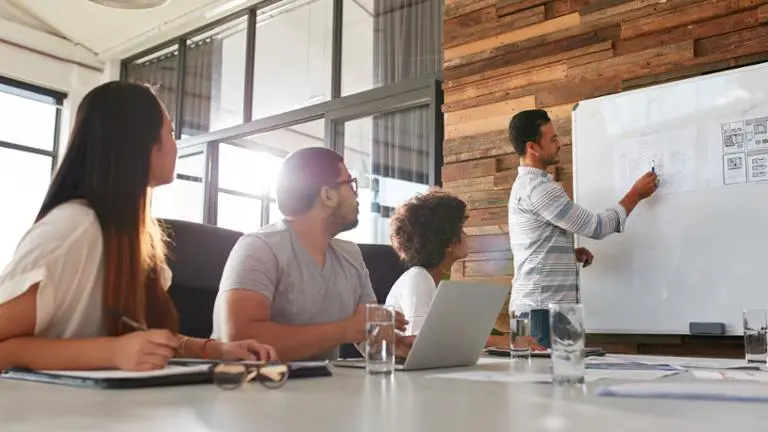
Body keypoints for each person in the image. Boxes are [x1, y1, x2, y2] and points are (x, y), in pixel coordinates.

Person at [0, 82, 277, 372]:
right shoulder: (74, 227)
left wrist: (213, 349)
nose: (175, 145)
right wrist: (112, 353)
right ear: (140, 143)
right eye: (169, 133)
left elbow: (140, 338)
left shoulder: (136, 236)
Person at [212, 147, 410, 362]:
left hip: (320, 388)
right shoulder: (259, 247)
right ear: (327, 195)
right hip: (250, 388)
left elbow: (366, 329)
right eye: (350, 184)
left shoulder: (351, 255)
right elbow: (242, 341)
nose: (356, 194)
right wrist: (346, 330)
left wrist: (397, 346)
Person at [506, 109, 658, 347]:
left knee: (562, 380)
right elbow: (597, 227)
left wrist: (568, 255)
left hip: (541, 309)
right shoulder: (539, 189)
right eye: (553, 139)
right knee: (557, 381)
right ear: (532, 147)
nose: (561, 143)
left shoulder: (529, 186)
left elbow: (535, 244)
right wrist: (635, 194)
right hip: (543, 311)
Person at [384, 191, 509, 348]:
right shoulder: (418, 278)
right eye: (461, 230)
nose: (466, 235)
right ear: (449, 241)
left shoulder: (440, 280)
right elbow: (420, 342)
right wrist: (499, 341)